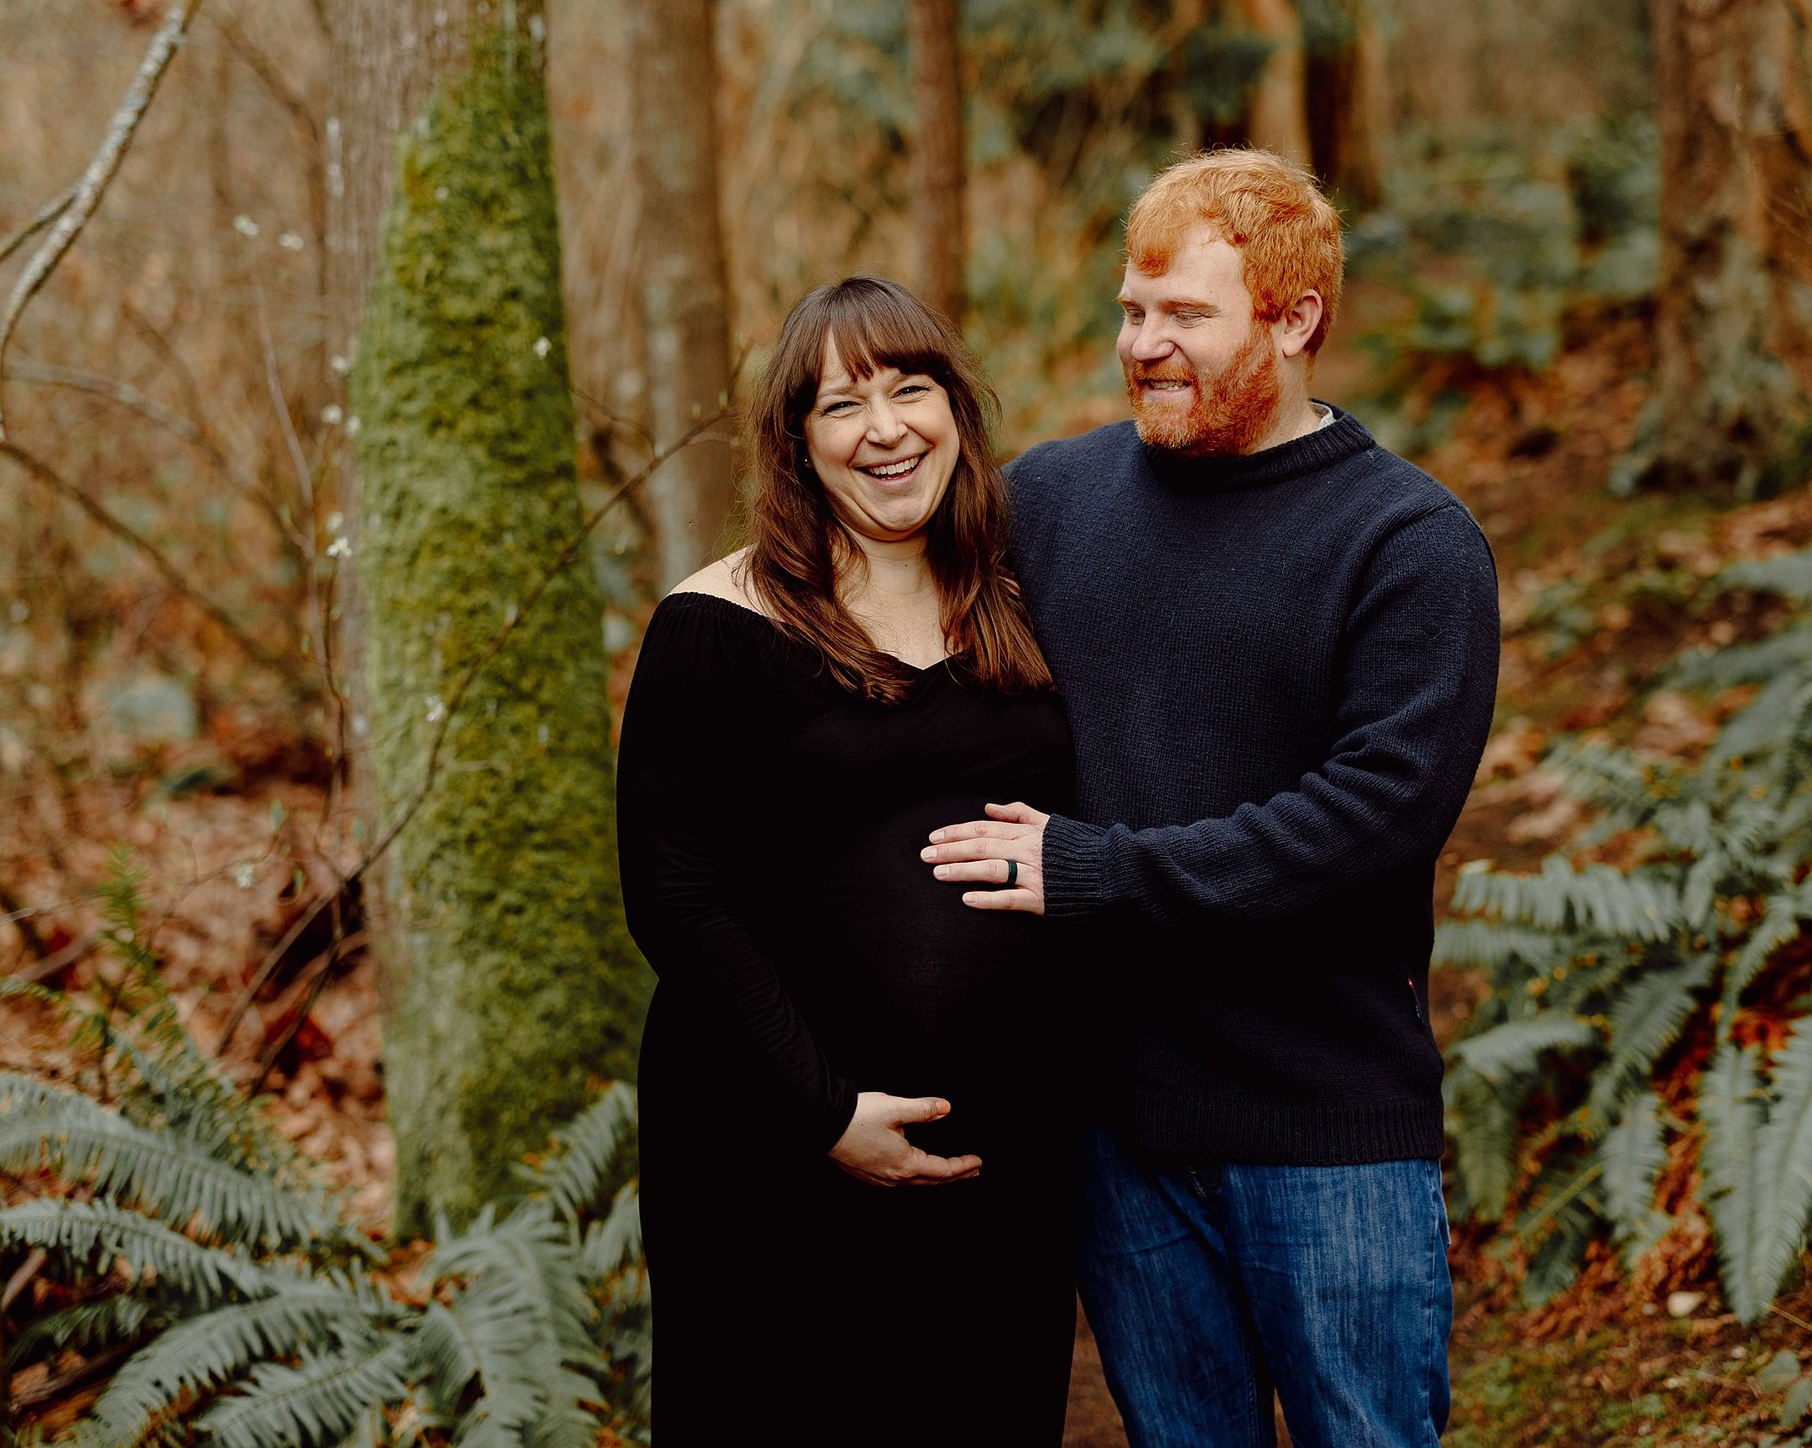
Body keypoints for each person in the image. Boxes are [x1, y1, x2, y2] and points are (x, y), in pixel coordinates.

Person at [922, 149, 1501, 1447]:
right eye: (1133, 310)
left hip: (1327, 1122)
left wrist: (1098, 871)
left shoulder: (1408, 544)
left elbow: (1370, 820)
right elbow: (886, 604)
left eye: (1185, 315)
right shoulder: (1056, 502)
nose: (1144, 344)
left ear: (1295, 320)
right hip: (1118, 1131)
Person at [617, 276, 1076, 1446]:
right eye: (840, 404)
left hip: (1000, 1164)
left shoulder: (1019, 605)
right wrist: (822, 1110)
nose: (885, 429)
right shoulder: (715, 622)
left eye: (909, 389)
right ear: (796, 443)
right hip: (773, 1159)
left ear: (956, 412)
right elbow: (673, 892)